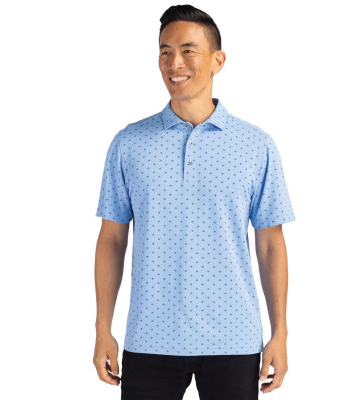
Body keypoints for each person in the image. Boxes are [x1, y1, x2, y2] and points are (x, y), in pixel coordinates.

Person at [93, 4, 296, 399]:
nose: (175, 63)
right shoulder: (129, 143)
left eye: (188, 50)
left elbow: (271, 243)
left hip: (234, 340)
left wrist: (280, 333)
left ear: (218, 60)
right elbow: (112, 239)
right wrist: (103, 328)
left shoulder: (256, 145)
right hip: (150, 337)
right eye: (165, 51)